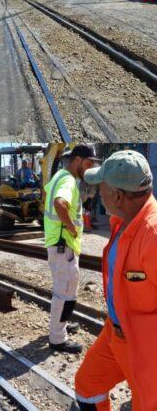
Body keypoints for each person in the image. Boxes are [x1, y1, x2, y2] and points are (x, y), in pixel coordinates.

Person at [74, 149, 157, 409]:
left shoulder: (152, 236)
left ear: (119, 196)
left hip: (145, 345)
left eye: (102, 187)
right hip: (115, 332)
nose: (99, 192)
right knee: (88, 385)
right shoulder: (123, 221)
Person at [44, 144, 99, 354]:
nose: (90, 167)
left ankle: (61, 324)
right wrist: (71, 229)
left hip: (60, 245)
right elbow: (59, 203)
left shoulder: (59, 176)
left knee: (66, 289)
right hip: (63, 244)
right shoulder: (68, 180)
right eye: (88, 163)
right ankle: (57, 338)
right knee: (64, 292)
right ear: (77, 160)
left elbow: (50, 198)